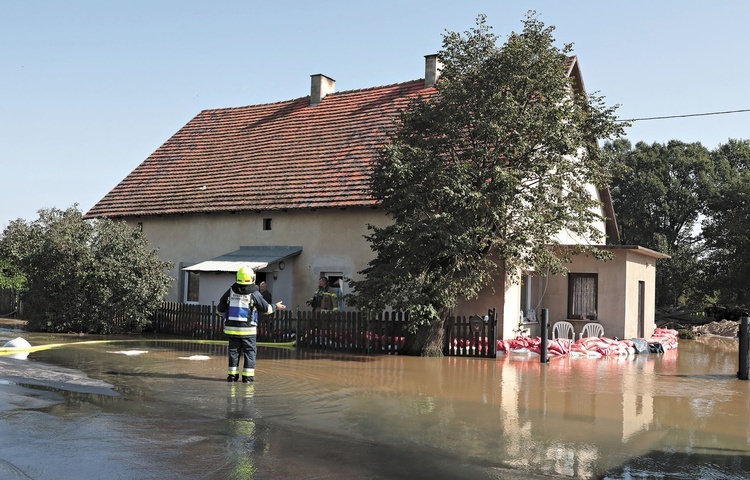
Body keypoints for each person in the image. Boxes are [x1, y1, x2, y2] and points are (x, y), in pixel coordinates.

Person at [218, 266, 286, 383]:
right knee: (249, 353)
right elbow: (266, 309)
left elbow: (220, 309)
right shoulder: (254, 293)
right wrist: (276, 306)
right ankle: (247, 380)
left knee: (234, 353)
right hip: (248, 331)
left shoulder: (229, 291)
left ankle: (232, 378)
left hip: (232, 330)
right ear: (252, 278)